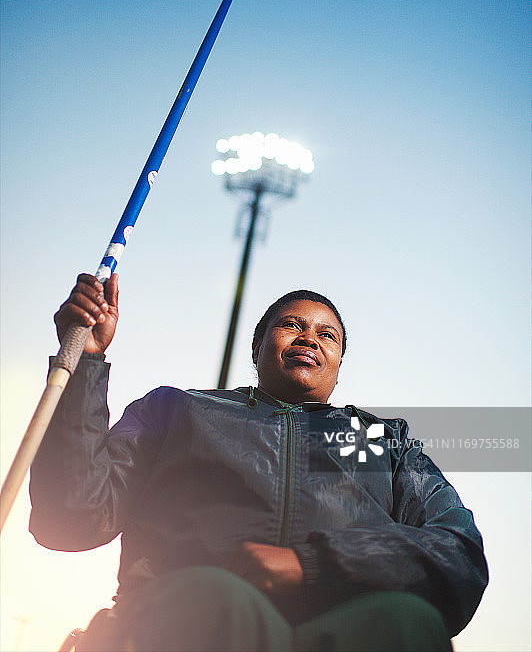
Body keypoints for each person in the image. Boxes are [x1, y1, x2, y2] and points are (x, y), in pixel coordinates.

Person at [29, 274, 488, 652]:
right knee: (219, 598)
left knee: (403, 620)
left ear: (338, 363)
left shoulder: (375, 441)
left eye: (327, 334)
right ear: (259, 348)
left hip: (336, 626)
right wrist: (84, 362)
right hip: (192, 617)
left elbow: (458, 554)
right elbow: (72, 516)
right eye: (292, 325)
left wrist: (313, 566)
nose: (309, 337)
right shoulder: (178, 411)